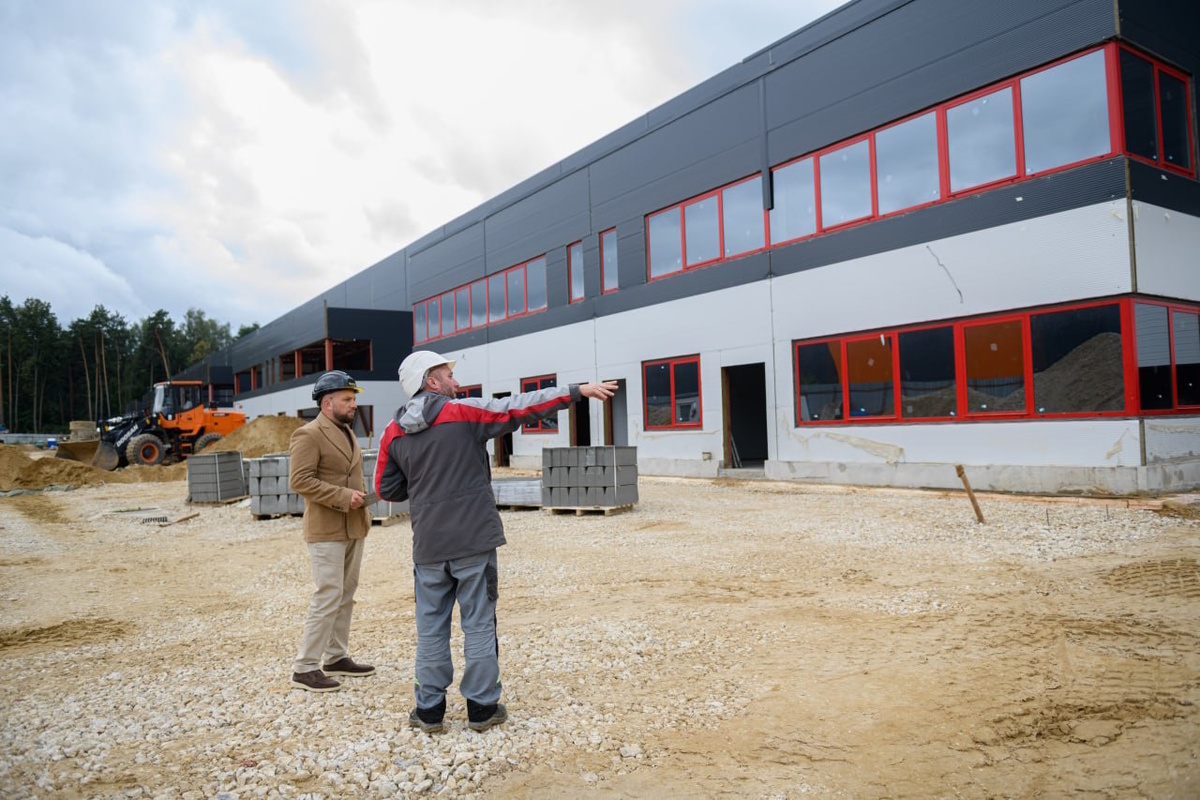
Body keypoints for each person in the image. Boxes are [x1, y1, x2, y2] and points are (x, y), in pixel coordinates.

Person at [375, 351, 617, 733]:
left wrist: (425, 487)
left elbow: (386, 488)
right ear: (431, 381)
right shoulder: (463, 413)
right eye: (448, 375)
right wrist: (576, 391)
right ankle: (482, 708)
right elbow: (518, 407)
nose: (456, 381)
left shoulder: (393, 431)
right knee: (478, 624)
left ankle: (429, 711)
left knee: (431, 629)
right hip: (474, 541)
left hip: (429, 548)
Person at [288, 370, 375, 692]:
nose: (354, 404)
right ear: (327, 403)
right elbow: (300, 480)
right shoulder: (308, 435)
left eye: (353, 399)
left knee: (345, 595)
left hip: (353, 526)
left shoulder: (346, 431)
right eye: (347, 399)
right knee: (327, 595)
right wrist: (343, 496)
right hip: (326, 529)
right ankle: (305, 668)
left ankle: (336, 656)